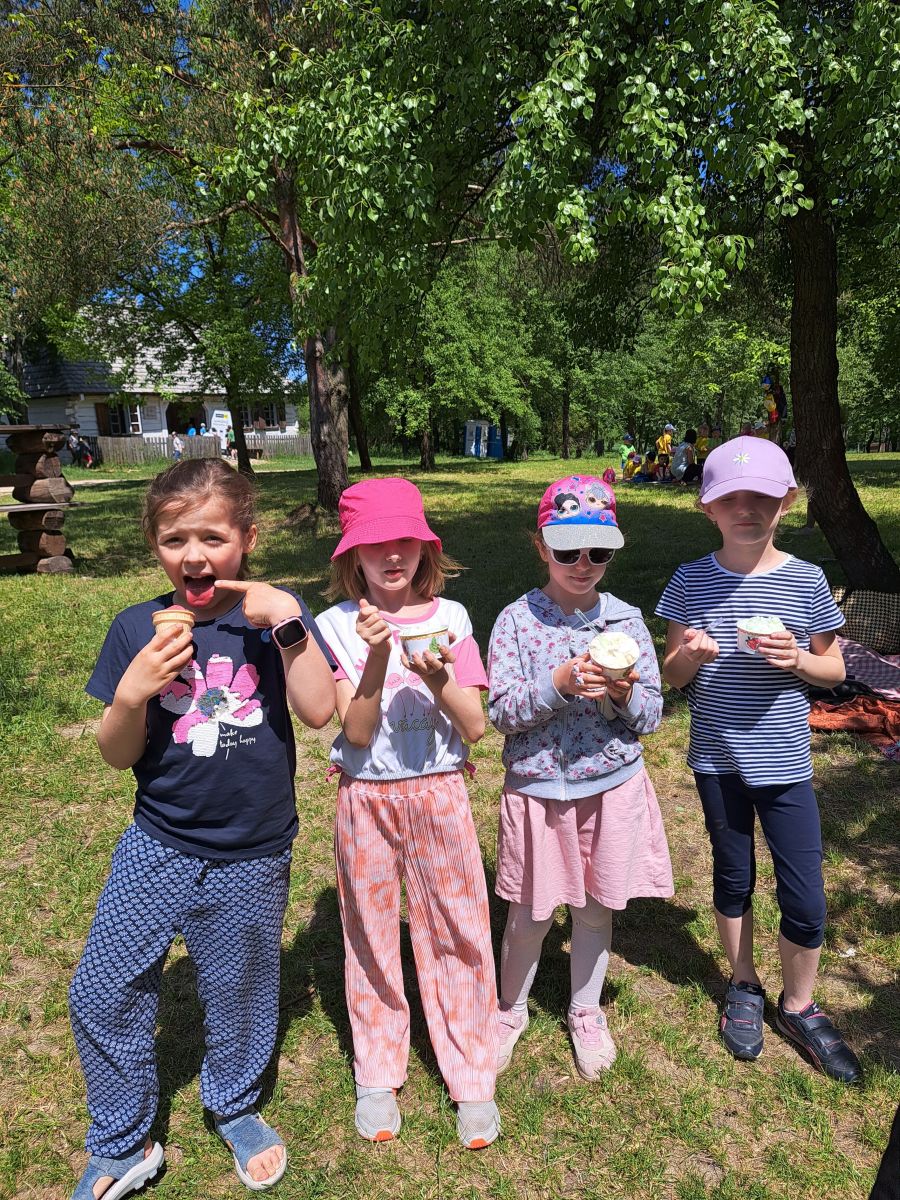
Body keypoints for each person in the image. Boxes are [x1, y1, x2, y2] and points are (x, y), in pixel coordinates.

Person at [70, 458, 337, 1199]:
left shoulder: (273, 621)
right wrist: (132, 694)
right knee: (101, 990)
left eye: (213, 538)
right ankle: (123, 1140)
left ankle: (235, 1103)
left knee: (240, 991)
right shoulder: (136, 628)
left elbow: (320, 711)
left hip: (254, 849)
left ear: (246, 538)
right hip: (157, 842)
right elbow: (117, 754)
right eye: (174, 539)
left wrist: (288, 625)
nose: (194, 555)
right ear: (154, 545)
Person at [656, 437, 861, 1084]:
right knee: (733, 876)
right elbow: (671, 676)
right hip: (718, 761)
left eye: (762, 498)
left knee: (806, 896)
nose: (746, 510)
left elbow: (835, 669)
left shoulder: (805, 581)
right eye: (730, 499)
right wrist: (691, 656)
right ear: (708, 508)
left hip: (785, 763)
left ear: (787, 502)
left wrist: (797, 658)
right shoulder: (690, 580)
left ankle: (798, 1005)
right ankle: (743, 983)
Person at [315, 478, 500, 1150]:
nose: (391, 555)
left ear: (426, 549)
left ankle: (472, 1076)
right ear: (351, 555)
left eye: (405, 541)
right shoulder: (336, 627)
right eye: (374, 544)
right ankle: (377, 1070)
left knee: (459, 930)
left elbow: (475, 727)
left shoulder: (454, 617)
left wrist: (435, 674)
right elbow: (356, 731)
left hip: (440, 791)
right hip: (366, 797)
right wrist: (377, 658)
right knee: (370, 936)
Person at [488, 475, 673, 1080]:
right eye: (567, 551)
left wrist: (621, 695)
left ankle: (586, 1010)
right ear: (541, 546)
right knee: (531, 914)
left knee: (595, 909)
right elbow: (501, 713)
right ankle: (509, 1008)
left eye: (599, 552)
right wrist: (558, 684)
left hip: (610, 786)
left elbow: (651, 716)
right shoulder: (516, 621)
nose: (583, 564)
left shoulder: (625, 621)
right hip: (539, 789)